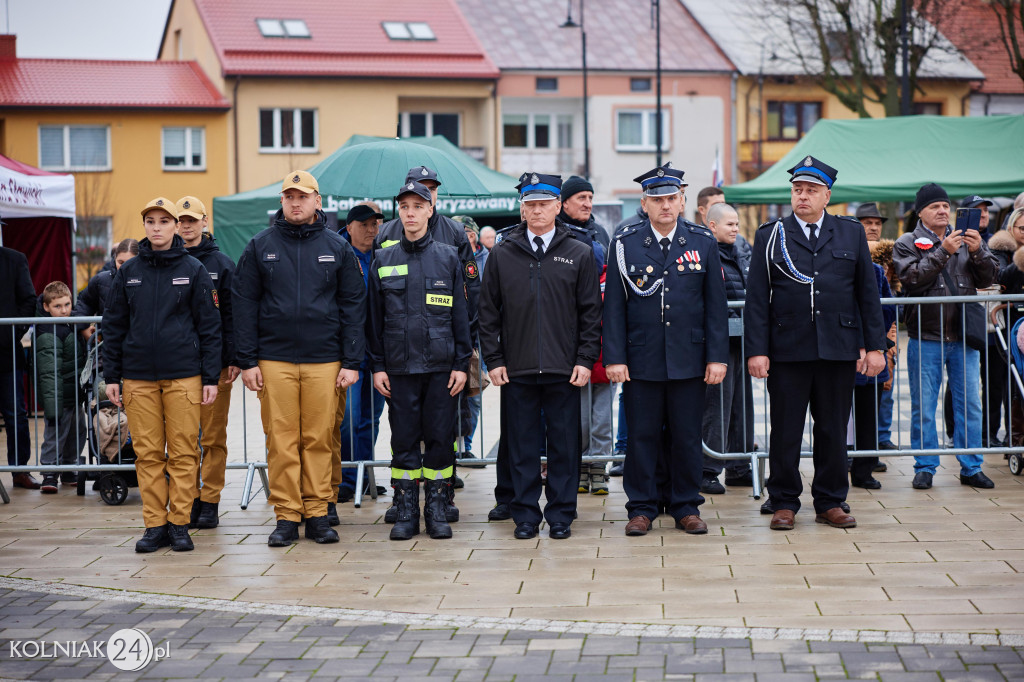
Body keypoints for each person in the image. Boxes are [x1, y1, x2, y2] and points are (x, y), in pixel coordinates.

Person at [745, 156, 886, 531]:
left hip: (837, 348)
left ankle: (830, 500)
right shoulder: (769, 234)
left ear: (827, 195)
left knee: (832, 429)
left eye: (810, 190)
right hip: (788, 348)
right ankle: (784, 500)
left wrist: (875, 346)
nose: (802, 196)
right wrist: (757, 350)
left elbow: (866, 294)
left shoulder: (850, 233)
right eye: (797, 190)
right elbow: (757, 298)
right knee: (786, 429)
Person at [233, 171, 366, 546]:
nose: (296, 202)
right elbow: (243, 305)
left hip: (325, 359)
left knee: (320, 438)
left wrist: (352, 361)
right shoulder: (259, 246)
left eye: (303, 196)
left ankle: (318, 513)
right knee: (281, 440)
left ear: (317, 201)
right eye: (289, 196)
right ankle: (287, 515)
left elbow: (354, 306)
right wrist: (247, 361)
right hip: (274, 359)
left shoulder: (336, 248)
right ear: (281, 201)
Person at [604, 164, 728, 537]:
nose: (665, 206)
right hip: (641, 358)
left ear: (683, 200)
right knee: (641, 436)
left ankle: (685, 505)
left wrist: (717, 356)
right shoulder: (625, 243)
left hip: (688, 357)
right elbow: (614, 306)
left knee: (686, 435)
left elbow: (715, 306)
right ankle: (641, 507)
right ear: (644, 203)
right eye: (657, 199)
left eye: (671, 198)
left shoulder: (701, 241)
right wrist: (614, 357)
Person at [479, 172, 602, 540]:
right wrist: (495, 360)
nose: (537, 211)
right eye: (530, 204)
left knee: (565, 446)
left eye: (544, 204)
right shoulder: (503, 252)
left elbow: (590, 313)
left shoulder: (578, 251)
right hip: (517, 368)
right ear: (522, 209)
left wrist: (584, 359)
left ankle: (562, 513)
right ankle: (526, 515)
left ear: (557, 207)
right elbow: (488, 313)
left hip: (564, 368)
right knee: (522, 447)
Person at [102, 198, 221, 552]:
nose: (156, 227)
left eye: (164, 221)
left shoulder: (194, 269)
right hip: (138, 378)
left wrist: (210, 377)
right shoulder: (129, 272)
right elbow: (114, 324)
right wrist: (112, 375)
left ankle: (179, 523)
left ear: (174, 227)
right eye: (150, 221)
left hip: (184, 376)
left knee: (184, 453)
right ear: (145, 227)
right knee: (148, 454)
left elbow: (210, 326)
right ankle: (154, 524)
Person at [368, 181, 471, 540]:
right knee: (404, 441)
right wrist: (378, 365)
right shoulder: (383, 258)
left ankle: (437, 508)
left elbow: (461, 315)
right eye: (404, 206)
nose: (410, 212)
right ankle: (407, 511)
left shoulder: (447, 256)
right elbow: (374, 319)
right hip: (399, 368)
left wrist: (462, 364)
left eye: (417, 206)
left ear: (430, 210)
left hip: (442, 368)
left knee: (441, 439)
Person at [893, 183, 999, 490]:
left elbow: (991, 277)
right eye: (934, 206)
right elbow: (912, 279)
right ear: (921, 212)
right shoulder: (907, 241)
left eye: (945, 205)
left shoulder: (968, 239)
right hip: (925, 337)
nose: (942, 210)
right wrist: (944, 251)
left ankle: (971, 466)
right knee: (923, 406)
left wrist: (978, 250)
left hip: (963, 337)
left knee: (970, 405)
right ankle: (925, 465)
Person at [175, 196, 239, 530]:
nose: (185, 226)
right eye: (180, 220)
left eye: (191, 220)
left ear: (204, 222)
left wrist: (233, 359)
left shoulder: (222, 264)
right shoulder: (165, 261)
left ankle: (210, 500)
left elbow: (231, 315)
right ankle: (188, 499)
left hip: (215, 366)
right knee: (183, 440)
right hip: (178, 366)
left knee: (213, 437)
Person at [335, 203, 387, 508]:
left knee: (371, 419)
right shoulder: (339, 255)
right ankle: (345, 479)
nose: (372, 230)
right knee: (348, 420)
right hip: (349, 353)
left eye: (376, 224)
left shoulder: (382, 255)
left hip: (377, 352)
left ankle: (365, 477)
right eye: (366, 225)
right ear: (350, 226)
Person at [700, 203, 754, 494]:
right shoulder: (708, 256)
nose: (736, 229)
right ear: (712, 226)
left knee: (741, 408)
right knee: (717, 409)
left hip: (741, 341)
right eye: (730, 224)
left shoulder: (738, 254)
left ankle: (739, 466)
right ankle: (708, 469)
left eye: (736, 224)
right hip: (721, 345)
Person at [35, 281, 88, 493]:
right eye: (57, 306)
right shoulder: (49, 331)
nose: (64, 310)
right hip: (58, 396)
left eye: (67, 304)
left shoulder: (69, 323)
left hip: (74, 392)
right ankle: (49, 473)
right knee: (55, 434)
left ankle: (68, 468)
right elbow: (49, 373)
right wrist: (52, 406)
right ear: (46, 307)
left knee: (77, 432)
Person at [0, 232, 36, 489]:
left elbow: (28, 301)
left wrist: (12, 332)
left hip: (5, 353)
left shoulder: (14, 260)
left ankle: (19, 470)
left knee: (16, 413)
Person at [451, 215, 488, 467]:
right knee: (453, 396)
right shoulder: (449, 255)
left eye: (469, 232)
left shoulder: (488, 259)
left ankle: (468, 446)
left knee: (473, 394)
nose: (466, 236)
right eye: (461, 231)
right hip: (456, 336)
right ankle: (454, 449)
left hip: (480, 338)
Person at [73, 238, 139, 338]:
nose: (124, 267)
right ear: (115, 258)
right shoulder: (100, 280)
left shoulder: (150, 280)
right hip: (107, 345)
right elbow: (84, 303)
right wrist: (83, 328)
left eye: (130, 263)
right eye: (121, 262)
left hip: (140, 346)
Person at [559, 176, 610, 249]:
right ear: (565, 203)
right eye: (582, 198)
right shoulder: (552, 231)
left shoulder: (600, 232)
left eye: (590, 198)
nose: (588, 204)